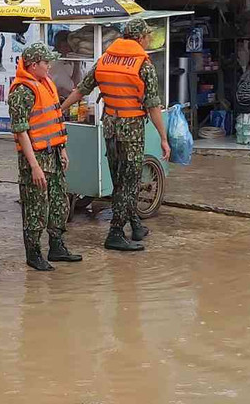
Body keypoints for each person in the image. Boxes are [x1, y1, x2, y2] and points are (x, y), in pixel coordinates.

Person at [59, 18, 170, 252]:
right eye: (148, 35)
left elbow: (82, 89)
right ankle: (116, 234)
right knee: (128, 184)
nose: (149, 39)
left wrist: (61, 110)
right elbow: (153, 106)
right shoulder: (143, 64)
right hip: (131, 130)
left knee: (120, 181)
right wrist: (163, 137)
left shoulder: (105, 59)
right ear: (139, 38)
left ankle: (136, 225)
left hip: (110, 127)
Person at [9, 42, 82, 271]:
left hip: (54, 155)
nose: (49, 66)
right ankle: (33, 253)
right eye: (45, 62)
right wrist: (34, 166)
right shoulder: (22, 91)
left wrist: (62, 149)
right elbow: (21, 132)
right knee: (35, 207)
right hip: (37, 158)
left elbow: (55, 120)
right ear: (32, 66)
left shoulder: (46, 84)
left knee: (59, 203)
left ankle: (57, 246)